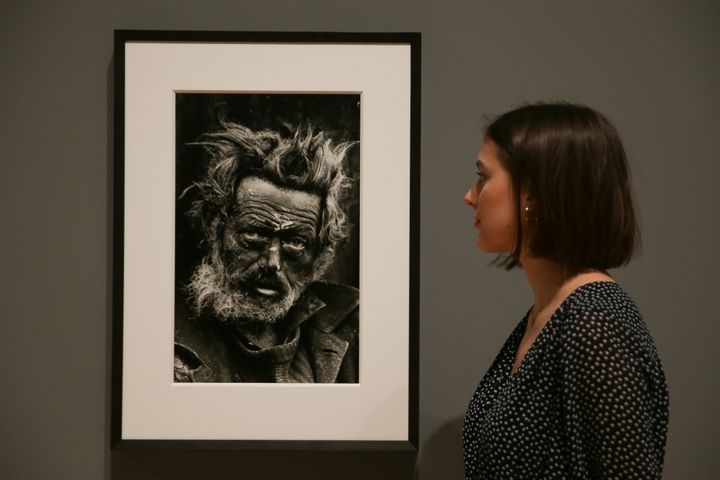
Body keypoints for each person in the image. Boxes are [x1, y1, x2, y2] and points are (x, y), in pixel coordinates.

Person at [462, 102, 669, 478]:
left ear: (533, 194)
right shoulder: (550, 312)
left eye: (483, 176)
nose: (470, 196)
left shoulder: (594, 325)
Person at [173, 121, 359, 383]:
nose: (272, 263)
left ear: (321, 254)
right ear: (215, 227)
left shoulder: (354, 324)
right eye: (254, 235)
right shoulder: (163, 328)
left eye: (295, 243)